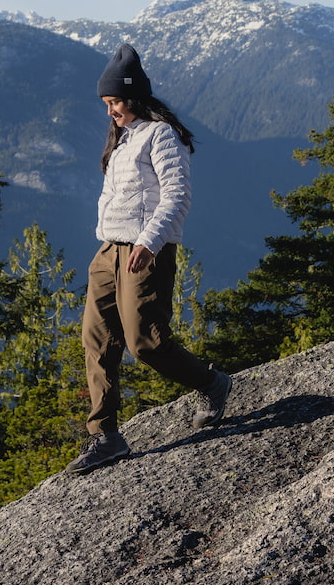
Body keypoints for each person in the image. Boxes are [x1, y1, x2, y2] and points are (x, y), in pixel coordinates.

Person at [64, 43, 232, 474]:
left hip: (146, 251)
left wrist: (148, 242)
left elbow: (177, 196)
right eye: (106, 103)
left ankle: (212, 383)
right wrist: (106, 247)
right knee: (96, 340)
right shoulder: (122, 140)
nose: (110, 112)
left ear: (134, 96)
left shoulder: (161, 134)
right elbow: (114, 198)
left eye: (114, 102)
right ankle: (106, 436)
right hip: (108, 253)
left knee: (145, 342)